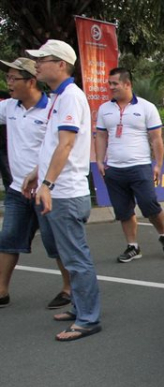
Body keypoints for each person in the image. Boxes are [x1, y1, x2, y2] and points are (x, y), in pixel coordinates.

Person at [25, 39, 102, 341]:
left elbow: (67, 144)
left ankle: (88, 319)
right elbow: (53, 145)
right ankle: (80, 307)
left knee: (76, 257)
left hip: (65, 193)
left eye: (43, 59)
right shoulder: (58, 96)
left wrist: (47, 184)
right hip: (57, 189)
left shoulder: (70, 97)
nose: (37, 64)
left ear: (61, 64)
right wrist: (37, 174)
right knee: (68, 255)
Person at [0, 57, 71, 310]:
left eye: (13, 78)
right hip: (17, 189)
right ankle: (2, 291)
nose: (8, 82)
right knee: (8, 239)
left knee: (56, 243)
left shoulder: (53, 109)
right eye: (7, 77)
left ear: (31, 81)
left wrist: (42, 178)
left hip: (46, 190)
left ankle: (68, 288)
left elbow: (62, 147)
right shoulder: (9, 107)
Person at [95, 67, 164, 263]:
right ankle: (133, 246)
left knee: (150, 206)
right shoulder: (105, 109)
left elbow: (156, 139)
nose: (110, 87)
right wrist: (99, 160)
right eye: (109, 84)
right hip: (114, 169)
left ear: (127, 84)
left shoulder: (147, 107)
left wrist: (158, 164)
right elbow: (101, 136)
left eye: (114, 84)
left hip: (140, 167)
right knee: (123, 211)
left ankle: (163, 235)